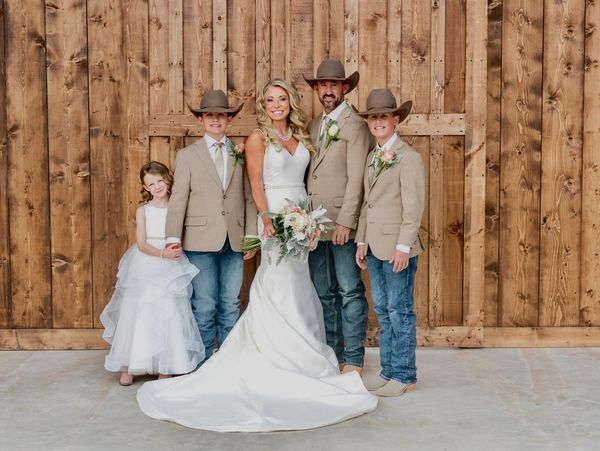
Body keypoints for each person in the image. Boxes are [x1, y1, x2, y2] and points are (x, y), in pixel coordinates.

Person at [136, 79, 377, 432]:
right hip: (273, 220)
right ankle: (269, 354)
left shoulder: (302, 136)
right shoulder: (256, 139)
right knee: (275, 283)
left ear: (290, 103)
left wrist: (307, 218)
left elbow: (310, 179)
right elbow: (255, 184)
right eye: (270, 100)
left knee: (301, 285)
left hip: (303, 217)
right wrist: (265, 218)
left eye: (281, 99)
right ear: (263, 105)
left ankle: (303, 355)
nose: (276, 104)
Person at [164, 90, 258, 360]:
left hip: (234, 239)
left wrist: (251, 236)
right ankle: (203, 362)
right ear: (201, 120)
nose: (216, 120)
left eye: (221, 115)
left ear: (229, 120)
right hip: (199, 241)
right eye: (210, 115)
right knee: (204, 305)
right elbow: (178, 199)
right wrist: (173, 237)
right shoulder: (187, 155)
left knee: (230, 304)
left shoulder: (240, 153)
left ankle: (225, 363)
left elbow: (249, 197)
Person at [100, 161, 205, 386]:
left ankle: (167, 365)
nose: (156, 186)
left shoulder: (178, 207)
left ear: (167, 179)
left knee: (169, 311)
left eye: (159, 181)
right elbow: (141, 244)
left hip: (172, 261)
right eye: (151, 184)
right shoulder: (143, 210)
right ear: (145, 188)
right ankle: (131, 364)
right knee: (140, 310)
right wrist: (162, 255)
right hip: (149, 261)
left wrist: (172, 253)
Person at [304, 59, 373, 375]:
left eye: (334, 84)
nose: (328, 90)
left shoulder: (355, 125)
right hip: (314, 225)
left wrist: (347, 220)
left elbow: (358, 176)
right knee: (323, 292)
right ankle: (333, 353)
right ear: (317, 89)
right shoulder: (314, 125)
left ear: (345, 88)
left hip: (341, 224)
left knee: (349, 290)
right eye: (323, 85)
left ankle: (354, 359)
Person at [355, 89, 424, 397]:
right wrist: (360, 241)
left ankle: (405, 373)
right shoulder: (373, 156)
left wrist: (404, 247)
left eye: (384, 116)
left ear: (396, 120)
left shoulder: (408, 158)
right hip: (374, 245)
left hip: (397, 248)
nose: (378, 121)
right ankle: (388, 371)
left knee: (400, 310)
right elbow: (368, 204)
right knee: (383, 310)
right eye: (373, 117)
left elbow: (413, 208)